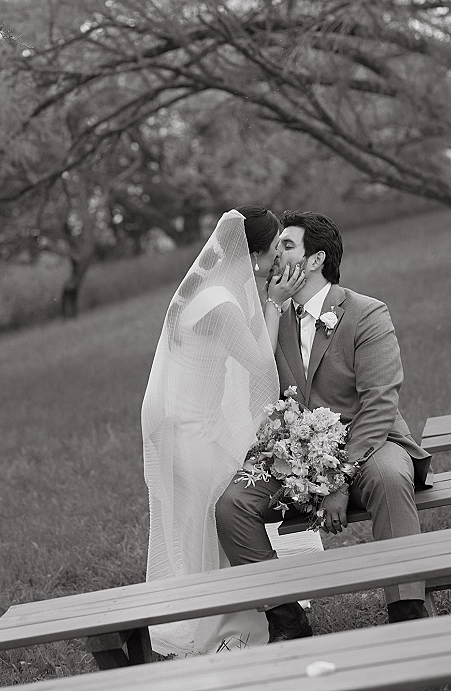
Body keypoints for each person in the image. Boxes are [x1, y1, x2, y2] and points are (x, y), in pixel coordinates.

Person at [216, 210, 433, 642]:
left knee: (391, 477)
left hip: (369, 441)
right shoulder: (269, 321)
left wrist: (337, 477)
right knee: (231, 506)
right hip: (292, 450)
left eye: (287, 246)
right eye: (275, 246)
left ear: (315, 261)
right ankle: (288, 621)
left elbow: (379, 404)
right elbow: (258, 390)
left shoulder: (367, 313)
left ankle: (408, 612)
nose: (275, 254)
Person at [141, 206, 321, 657]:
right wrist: (277, 303)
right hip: (189, 430)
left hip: (185, 422)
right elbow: (259, 364)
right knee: (208, 522)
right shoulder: (219, 303)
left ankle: (245, 611)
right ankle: (223, 628)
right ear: (253, 254)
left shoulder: (207, 287)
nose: (278, 259)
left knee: (204, 521)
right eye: (274, 248)